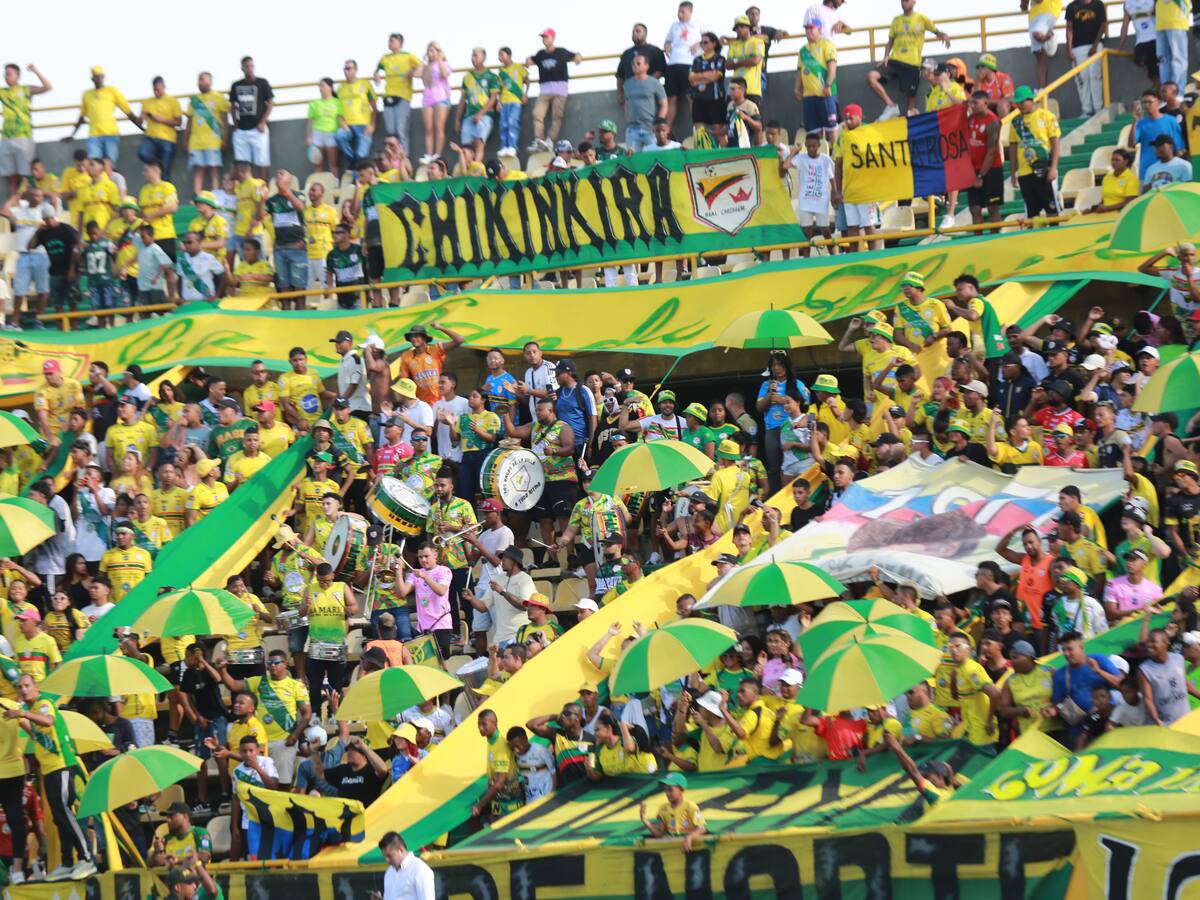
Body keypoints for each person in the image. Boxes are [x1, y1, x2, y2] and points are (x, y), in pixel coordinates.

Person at [8, 674, 95, 879]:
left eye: (27, 685)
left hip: (62, 766)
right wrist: (19, 718)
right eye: (20, 687)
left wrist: (22, 712)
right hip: (48, 770)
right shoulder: (31, 712)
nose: (23, 690)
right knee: (58, 818)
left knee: (64, 812)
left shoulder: (43, 703)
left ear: (36, 688)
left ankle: (87, 858)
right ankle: (67, 862)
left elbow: (48, 721)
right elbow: (36, 733)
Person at [868, 0, 949, 119]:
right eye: (902, 1)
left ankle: (910, 128)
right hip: (895, 60)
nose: (903, 3)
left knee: (911, 105)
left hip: (912, 63)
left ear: (914, 2)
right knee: (872, 76)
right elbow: (890, 41)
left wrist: (944, 35)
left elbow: (936, 31)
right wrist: (885, 56)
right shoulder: (896, 20)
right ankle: (891, 106)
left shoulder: (921, 18)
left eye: (906, 1)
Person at [392, 542, 453, 656]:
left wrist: (425, 577)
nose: (423, 560)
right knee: (426, 664)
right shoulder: (415, 574)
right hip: (422, 627)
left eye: (426, 556)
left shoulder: (444, 571)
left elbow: (441, 591)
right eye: (420, 557)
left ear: (435, 554)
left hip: (441, 624)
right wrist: (399, 573)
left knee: (442, 661)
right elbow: (402, 592)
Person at [67, 66, 140, 162]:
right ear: (92, 79)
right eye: (96, 77)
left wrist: (142, 128)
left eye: (100, 76)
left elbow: (127, 111)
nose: (98, 79)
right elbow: (82, 116)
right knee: (94, 163)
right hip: (94, 136)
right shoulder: (87, 94)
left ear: (104, 77)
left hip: (111, 134)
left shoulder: (112, 90)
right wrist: (72, 134)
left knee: (109, 164)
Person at [526, 29, 583, 151]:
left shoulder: (561, 52)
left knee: (557, 116)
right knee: (537, 114)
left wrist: (578, 57)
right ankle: (539, 140)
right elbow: (531, 59)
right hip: (545, 90)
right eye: (543, 37)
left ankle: (550, 140)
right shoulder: (540, 54)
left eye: (546, 37)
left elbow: (576, 55)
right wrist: (528, 60)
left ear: (553, 38)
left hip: (560, 89)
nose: (544, 39)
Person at [1009, 85, 1061, 218]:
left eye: (1022, 102)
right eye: (1018, 103)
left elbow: (1055, 143)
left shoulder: (1046, 116)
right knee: (1032, 214)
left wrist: (1053, 168)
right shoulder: (1015, 122)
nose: (1020, 105)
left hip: (1044, 168)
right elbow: (1013, 148)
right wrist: (1013, 172)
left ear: (1031, 99)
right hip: (1024, 173)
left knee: (1052, 210)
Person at [1140, 627, 1199, 725]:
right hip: (1167, 724)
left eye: (1153, 641)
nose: (1149, 645)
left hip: (1186, 719)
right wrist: (1157, 720)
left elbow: (1185, 684)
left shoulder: (1178, 659)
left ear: (1165, 643)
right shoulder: (1144, 669)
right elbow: (1147, 698)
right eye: (1148, 642)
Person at [473, 709, 523, 822]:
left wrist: (479, 805)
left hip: (508, 804)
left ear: (494, 724)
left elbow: (499, 783)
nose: (480, 728)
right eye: (478, 724)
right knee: (495, 824)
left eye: (484, 724)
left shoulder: (500, 745)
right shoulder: (491, 741)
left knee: (507, 835)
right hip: (498, 801)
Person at [229, 57, 273, 180]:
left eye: (251, 66)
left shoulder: (262, 83)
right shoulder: (236, 85)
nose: (249, 68)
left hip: (258, 129)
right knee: (243, 164)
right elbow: (232, 106)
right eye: (246, 66)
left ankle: (263, 190)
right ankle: (247, 193)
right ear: (242, 68)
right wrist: (236, 125)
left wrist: (263, 122)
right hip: (241, 130)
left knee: (262, 162)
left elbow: (270, 103)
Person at [1128, 89, 1184, 184]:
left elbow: (1180, 149)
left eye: (1149, 102)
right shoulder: (1140, 124)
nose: (1146, 105)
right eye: (1144, 102)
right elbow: (1131, 144)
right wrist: (1134, 121)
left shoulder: (1171, 121)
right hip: (1147, 171)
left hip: (1169, 171)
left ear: (1158, 102)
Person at [965, 91, 1003, 226]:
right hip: (973, 170)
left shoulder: (993, 122)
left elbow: (992, 151)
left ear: (985, 103)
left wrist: (980, 176)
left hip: (991, 170)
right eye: (971, 102)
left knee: (993, 208)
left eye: (975, 103)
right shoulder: (969, 120)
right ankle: (978, 240)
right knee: (974, 208)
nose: (972, 106)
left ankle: (995, 239)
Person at [1065, 0, 1106, 116]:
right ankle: (1087, 110)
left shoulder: (1098, 4)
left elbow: (1103, 25)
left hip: (1096, 45)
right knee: (1081, 80)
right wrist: (1069, 48)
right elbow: (1069, 28)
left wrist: (1095, 45)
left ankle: (1098, 108)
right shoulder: (1071, 7)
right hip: (1077, 48)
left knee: (1095, 76)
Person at [375, 831, 435, 900]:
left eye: (389, 856)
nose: (387, 860)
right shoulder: (389, 872)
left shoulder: (420, 870)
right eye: (385, 856)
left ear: (400, 850)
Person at [1082, 148, 1139, 213]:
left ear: (1126, 161)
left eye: (1117, 160)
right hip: (1106, 214)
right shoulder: (1106, 178)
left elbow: (1129, 202)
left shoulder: (1131, 178)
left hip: (1121, 214)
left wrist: (1107, 208)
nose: (1113, 162)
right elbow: (1105, 200)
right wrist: (1092, 210)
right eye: (1112, 160)